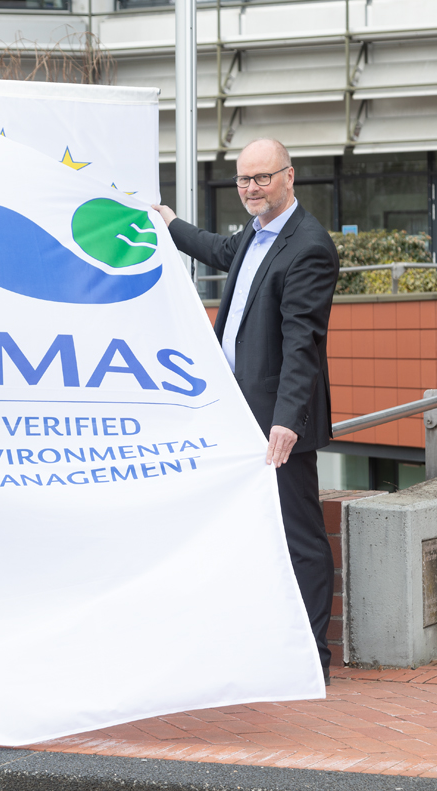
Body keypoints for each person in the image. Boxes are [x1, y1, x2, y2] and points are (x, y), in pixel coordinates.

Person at [152, 139, 339, 683]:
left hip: (276, 424)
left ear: (290, 177)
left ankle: (312, 660)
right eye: (243, 180)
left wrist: (286, 421)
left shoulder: (308, 246)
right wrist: (169, 223)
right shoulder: (255, 237)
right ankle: (266, 645)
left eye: (262, 178)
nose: (251, 188)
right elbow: (215, 249)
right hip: (235, 413)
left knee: (298, 535)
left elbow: (303, 342)